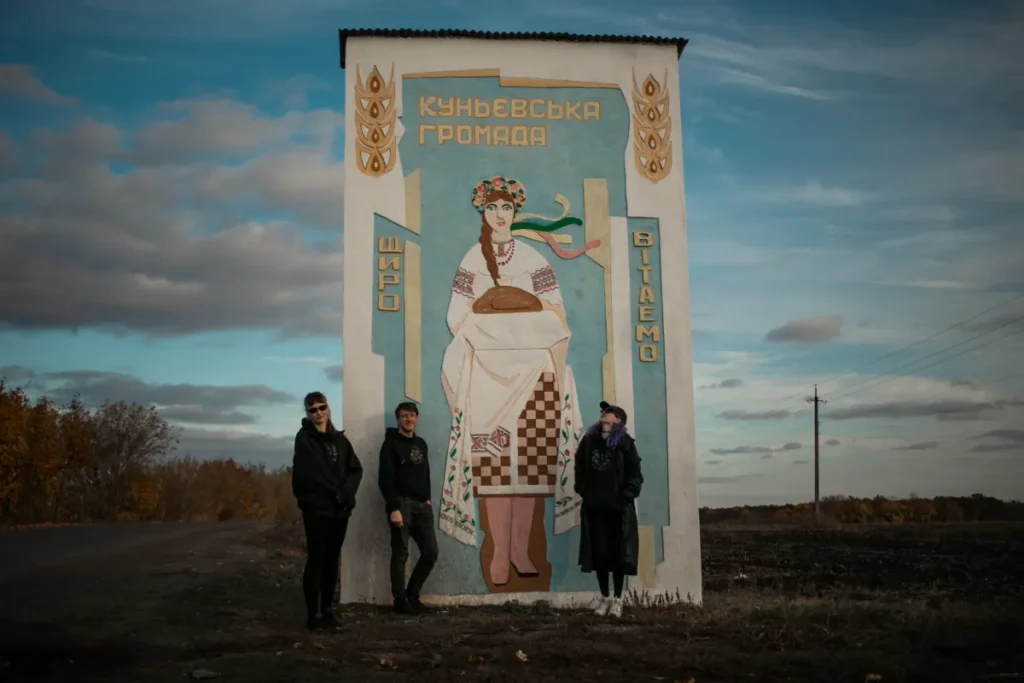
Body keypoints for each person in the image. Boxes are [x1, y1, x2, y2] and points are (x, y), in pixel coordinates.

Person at [439, 175, 595, 587]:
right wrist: (492, 313)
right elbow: (457, 317)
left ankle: (520, 551)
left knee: (529, 467)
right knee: (493, 466)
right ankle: (498, 554)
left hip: (534, 374)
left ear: (515, 213)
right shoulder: (473, 260)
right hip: (490, 376)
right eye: (492, 208)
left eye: (506, 208)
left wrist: (523, 308)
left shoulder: (533, 259)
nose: (499, 215)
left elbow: (557, 311)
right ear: (483, 212)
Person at [291, 391, 363, 631]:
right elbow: (312, 473)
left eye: (321, 408)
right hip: (318, 510)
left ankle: (328, 611)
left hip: (340, 511)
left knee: (332, 561)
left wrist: (346, 495)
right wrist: (337, 493)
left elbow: (355, 469)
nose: (318, 413)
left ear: (328, 408)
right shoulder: (304, 440)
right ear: (307, 413)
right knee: (317, 559)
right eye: (312, 410)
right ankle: (314, 615)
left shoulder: (341, 441)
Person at [574, 401, 643, 618]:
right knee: (600, 554)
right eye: (603, 412)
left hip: (618, 511)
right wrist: (583, 489)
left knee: (618, 556)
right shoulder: (589, 442)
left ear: (619, 420)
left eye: (609, 412)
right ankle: (604, 598)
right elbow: (579, 466)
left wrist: (625, 497)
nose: (604, 414)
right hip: (595, 508)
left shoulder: (625, 444)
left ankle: (618, 600)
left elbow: (635, 475)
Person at [378, 401, 439, 614]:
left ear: (417, 418)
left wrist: (428, 498)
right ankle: (400, 601)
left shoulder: (421, 443)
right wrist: (394, 507)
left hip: (422, 505)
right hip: (401, 503)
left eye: (412, 415)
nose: (409, 419)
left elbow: (425, 473)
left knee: (431, 552)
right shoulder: (390, 444)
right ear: (398, 419)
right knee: (400, 554)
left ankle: (412, 594)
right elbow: (385, 479)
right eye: (404, 416)